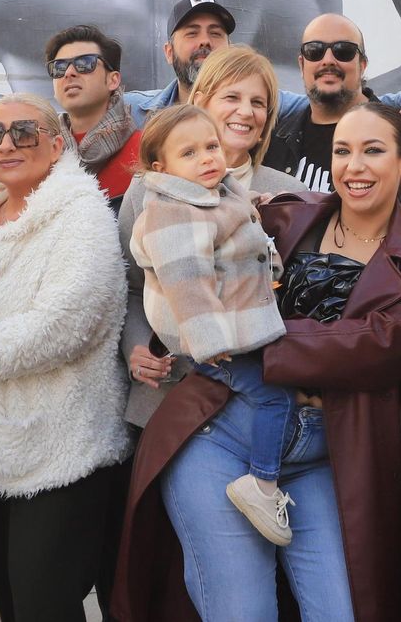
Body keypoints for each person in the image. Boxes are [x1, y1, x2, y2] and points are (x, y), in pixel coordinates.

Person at [115, 102, 401, 622]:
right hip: (224, 435)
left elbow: (378, 350)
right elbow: (177, 243)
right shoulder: (286, 214)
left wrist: (252, 340)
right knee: (243, 612)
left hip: (324, 454)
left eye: (373, 150)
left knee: (342, 612)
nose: (354, 166)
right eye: (342, 150)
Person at [0, 93, 131, 622]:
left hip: (59, 445)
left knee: (43, 607)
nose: (7, 144)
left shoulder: (80, 211)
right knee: (5, 604)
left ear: (57, 143)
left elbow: (66, 323)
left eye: (24, 132)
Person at [120, 45, 308, 426]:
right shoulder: (149, 189)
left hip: (256, 398)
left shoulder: (289, 192)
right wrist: (136, 347)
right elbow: (129, 286)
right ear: (201, 102)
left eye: (258, 103)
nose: (246, 111)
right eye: (232, 97)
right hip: (169, 395)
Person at [129, 105, 290, 543]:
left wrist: (256, 205)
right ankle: (262, 484)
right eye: (189, 153)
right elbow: (188, 286)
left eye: (211, 146)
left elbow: (230, 217)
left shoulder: (214, 190)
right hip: (212, 337)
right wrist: (209, 343)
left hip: (236, 324)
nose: (206, 158)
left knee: (274, 386)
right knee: (274, 398)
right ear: (161, 169)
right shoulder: (172, 214)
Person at [264, 12, 401, 190]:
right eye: (314, 51)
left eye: (343, 51)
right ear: (301, 65)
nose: (328, 61)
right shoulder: (273, 138)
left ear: (362, 65)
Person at [46, 24, 142, 208]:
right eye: (59, 67)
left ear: (113, 80)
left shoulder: (147, 151)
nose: (69, 73)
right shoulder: (42, 154)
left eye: (84, 63)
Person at [124, 0, 235, 125]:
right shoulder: (129, 112)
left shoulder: (249, 116)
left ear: (230, 49)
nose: (205, 41)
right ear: (169, 52)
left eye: (215, 33)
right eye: (192, 33)